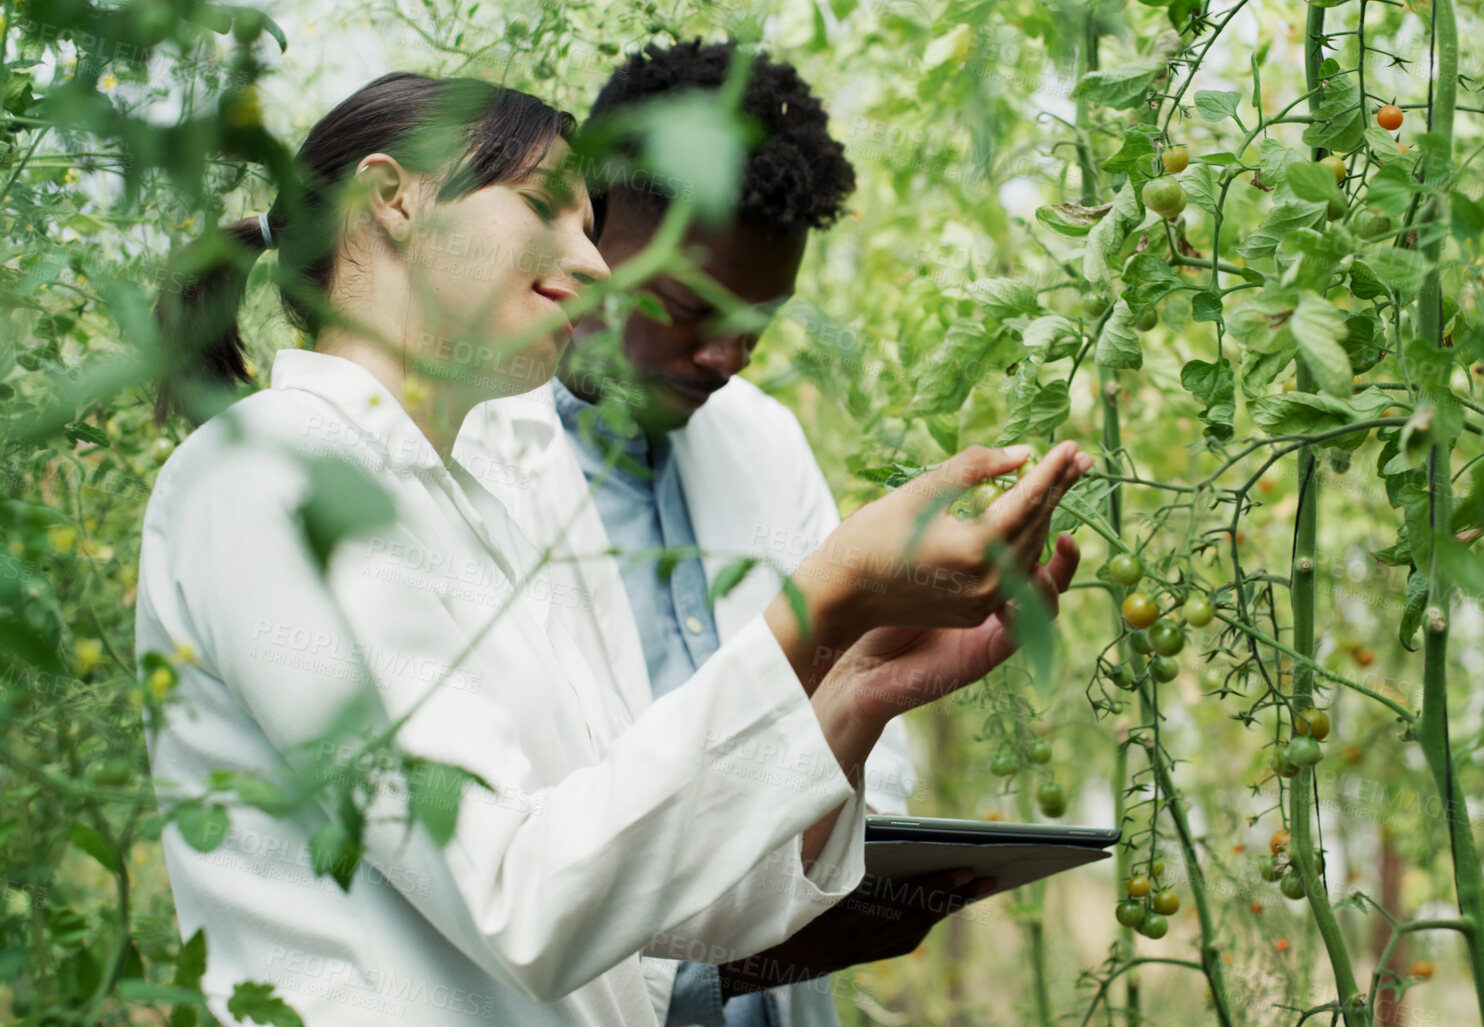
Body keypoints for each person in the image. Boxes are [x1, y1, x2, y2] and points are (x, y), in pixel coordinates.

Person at [137, 71, 1089, 1027]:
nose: (591, 266)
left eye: (591, 228)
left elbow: (657, 907)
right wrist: (820, 600)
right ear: (393, 200)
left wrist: (857, 686)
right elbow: (523, 903)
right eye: (550, 209)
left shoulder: (485, 508)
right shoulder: (268, 475)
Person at [456, 40, 1064, 1026]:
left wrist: (878, 681)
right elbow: (524, 859)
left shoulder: (764, 440)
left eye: (762, 318)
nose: (728, 355)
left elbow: (866, 766)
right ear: (590, 237)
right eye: (692, 307)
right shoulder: (472, 457)